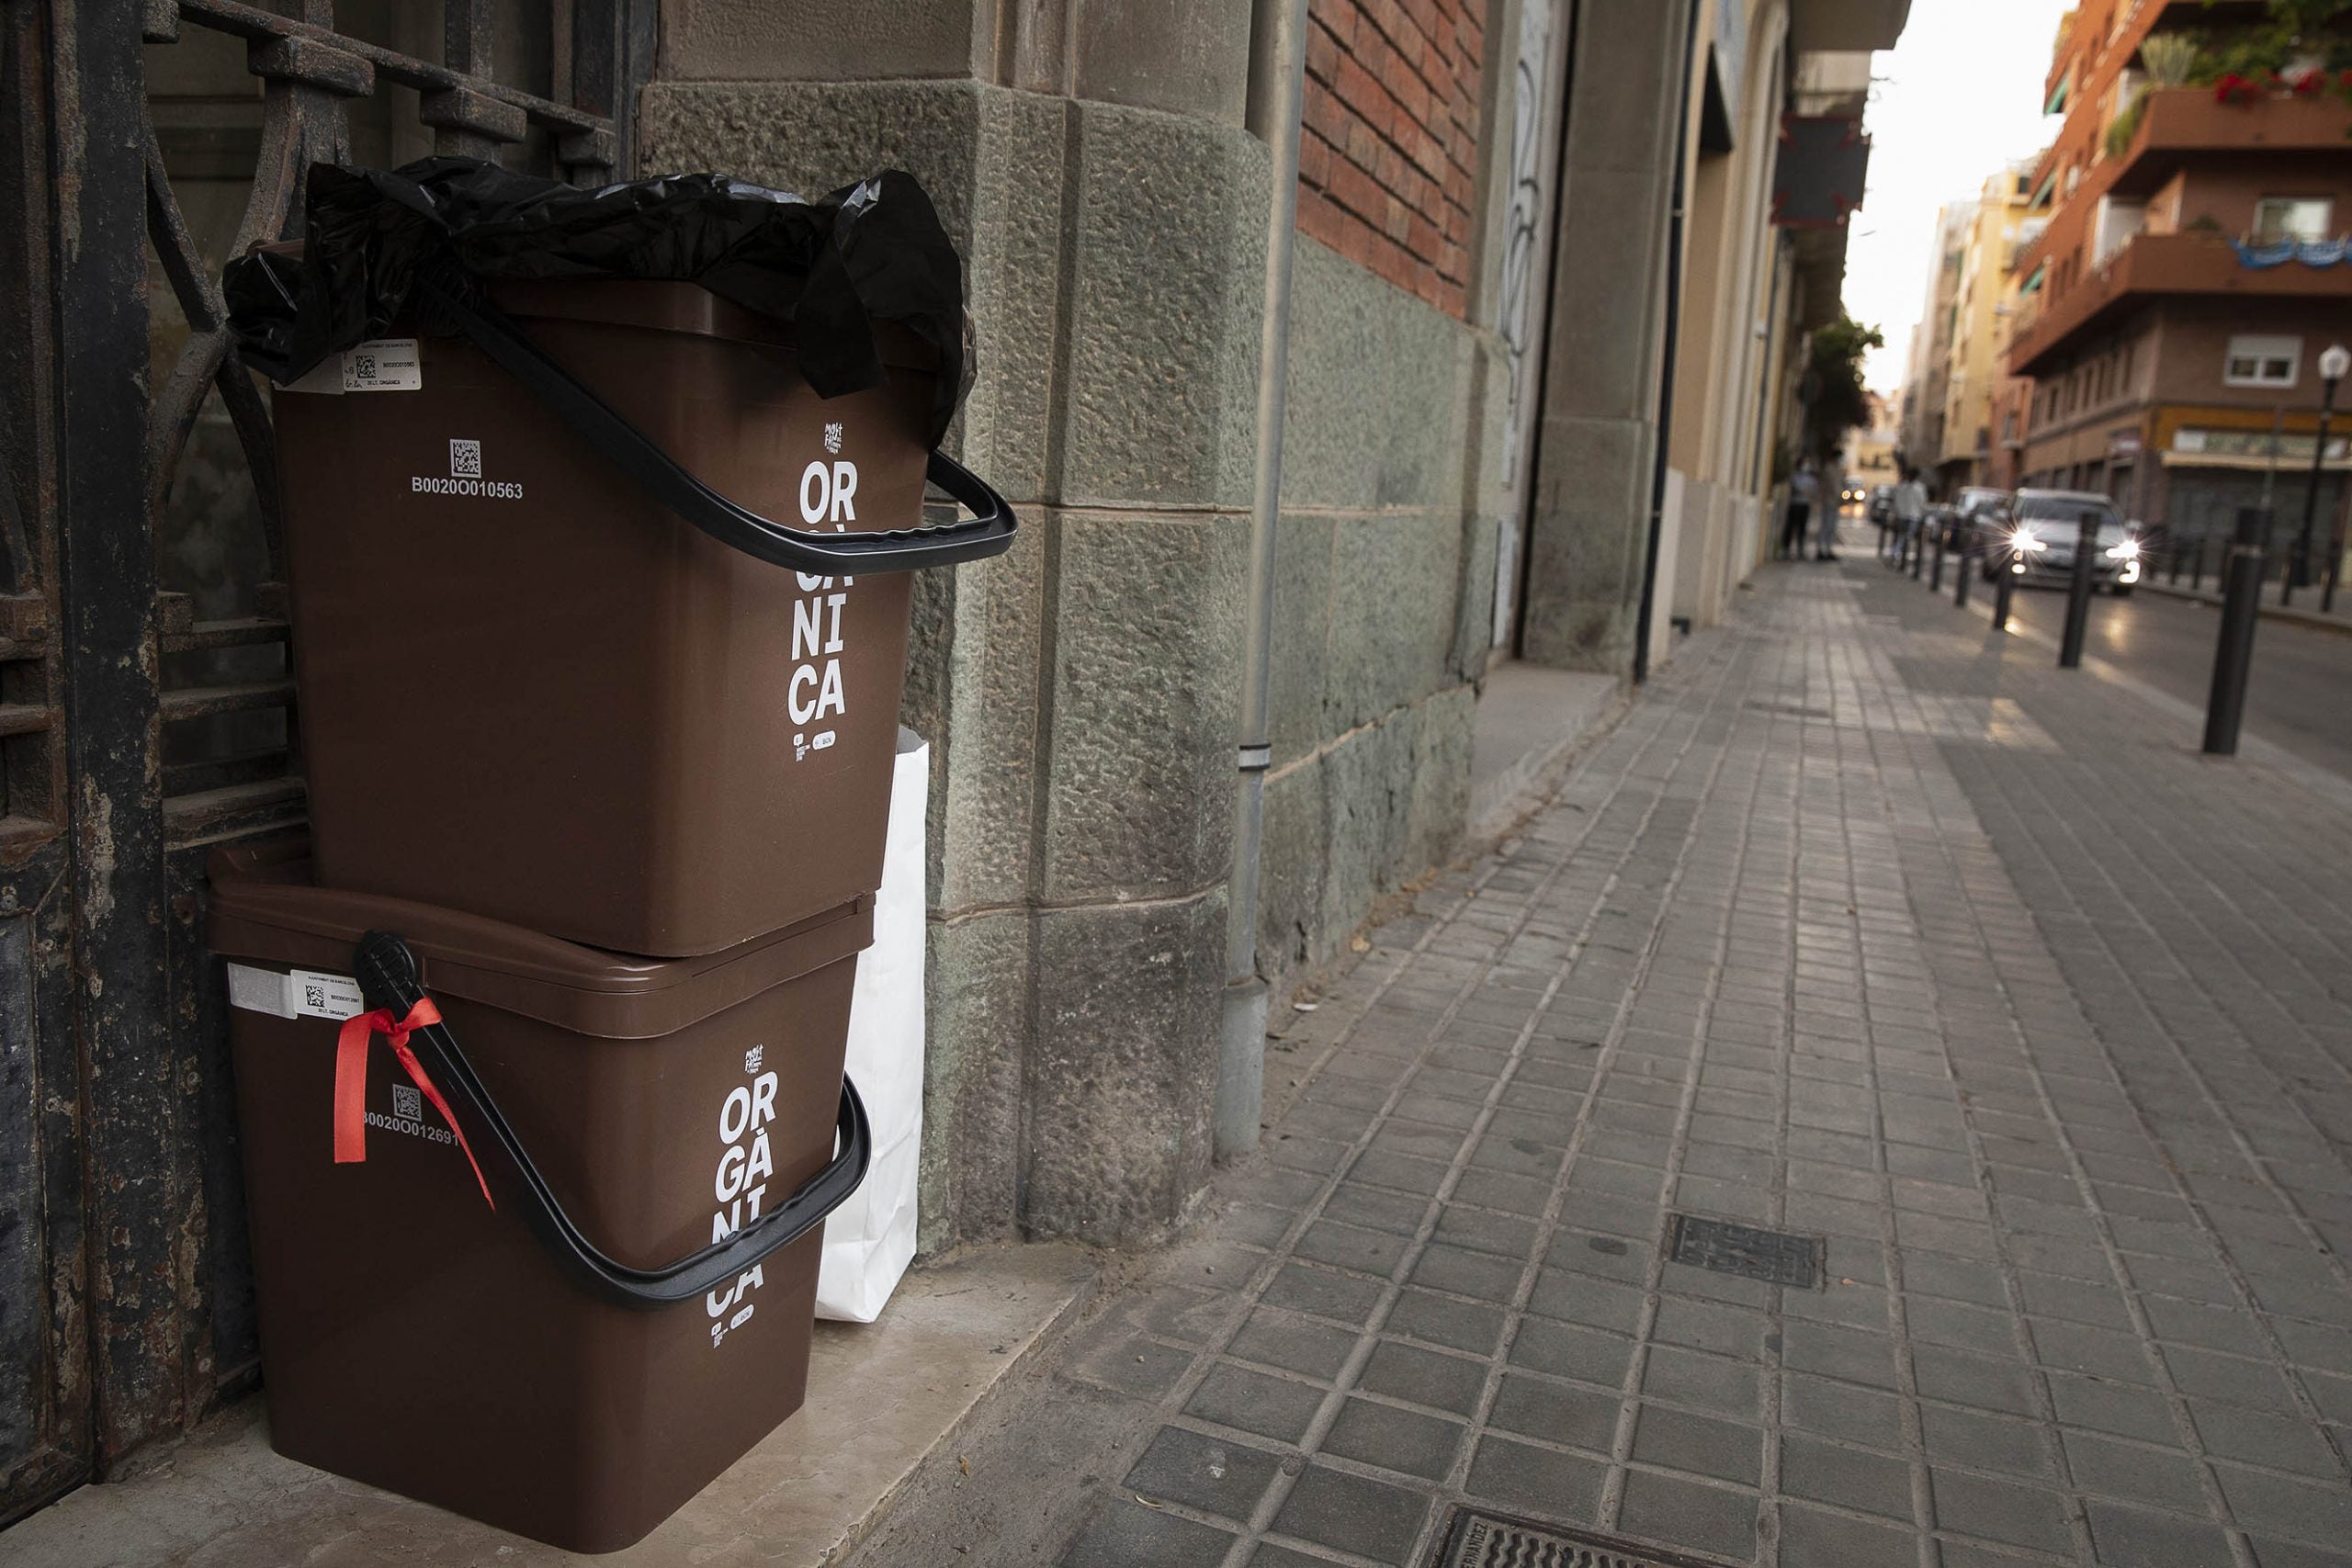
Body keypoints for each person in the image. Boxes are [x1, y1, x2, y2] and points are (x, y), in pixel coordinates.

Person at [1891, 468, 1928, 567]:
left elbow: (1896, 501)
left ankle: (1897, 553)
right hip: (1912, 516)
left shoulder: (1903, 487)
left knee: (1902, 536)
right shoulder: (1918, 488)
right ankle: (1900, 554)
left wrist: (1898, 512)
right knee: (1907, 536)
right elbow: (1922, 502)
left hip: (1905, 515)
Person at [1782, 463, 1817, 559]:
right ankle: (1786, 550)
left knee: (1802, 528)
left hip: (1804, 505)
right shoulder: (1794, 476)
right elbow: (1795, 488)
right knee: (1790, 527)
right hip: (1794, 504)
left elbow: (1813, 491)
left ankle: (1800, 550)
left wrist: (1806, 492)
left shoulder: (1811, 479)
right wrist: (1804, 491)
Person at [1816, 461, 1845, 561]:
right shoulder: (1830, 470)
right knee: (1826, 526)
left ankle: (1827, 549)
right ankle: (1822, 550)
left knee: (1831, 527)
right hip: (1829, 501)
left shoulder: (1837, 470)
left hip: (1834, 502)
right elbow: (1834, 487)